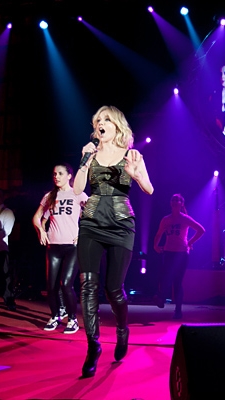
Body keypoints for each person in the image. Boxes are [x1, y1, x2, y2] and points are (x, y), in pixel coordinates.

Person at [74, 105, 154, 378]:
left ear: (117, 125)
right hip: (91, 222)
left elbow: (149, 189)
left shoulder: (132, 155)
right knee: (87, 285)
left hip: (121, 225)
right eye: (98, 120)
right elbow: (77, 189)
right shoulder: (89, 153)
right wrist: (84, 160)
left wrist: (136, 174)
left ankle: (122, 329)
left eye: (106, 120)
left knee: (113, 289)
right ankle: (93, 345)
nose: (101, 124)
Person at [32, 163, 88, 334]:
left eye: (60, 173)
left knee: (66, 283)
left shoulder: (78, 194)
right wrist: (41, 231)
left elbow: (92, 217)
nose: (56, 176)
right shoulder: (49, 196)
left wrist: (83, 233)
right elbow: (37, 217)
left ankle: (72, 319)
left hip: (72, 246)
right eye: (54, 174)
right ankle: (55, 316)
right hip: (53, 246)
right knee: (51, 286)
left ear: (69, 176)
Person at [153, 193, 205, 319]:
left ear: (182, 204)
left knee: (177, 281)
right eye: (173, 200)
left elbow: (201, 230)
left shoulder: (185, 218)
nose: (175, 202)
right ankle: (161, 298)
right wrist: (155, 245)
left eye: (177, 200)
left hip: (181, 254)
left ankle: (178, 310)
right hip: (168, 252)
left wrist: (190, 242)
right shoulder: (166, 219)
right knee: (165, 278)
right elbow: (159, 233)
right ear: (170, 203)